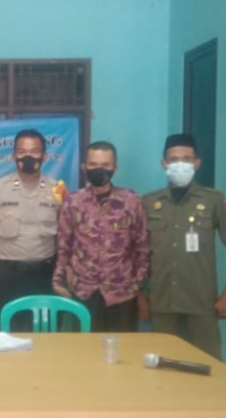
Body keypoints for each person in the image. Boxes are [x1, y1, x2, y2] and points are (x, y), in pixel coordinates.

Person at [141, 133, 226, 359]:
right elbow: (136, 253)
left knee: (207, 366)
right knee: (163, 367)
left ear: (197, 163)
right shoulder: (149, 202)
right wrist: (141, 296)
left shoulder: (213, 200)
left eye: (187, 159)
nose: (180, 164)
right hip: (161, 304)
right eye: (173, 159)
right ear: (163, 164)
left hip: (201, 304)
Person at [52, 141, 149, 332]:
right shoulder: (73, 201)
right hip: (82, 291)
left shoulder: (131, 200)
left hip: (122, 293)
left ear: (115, 168)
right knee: (83, 348)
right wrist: (58, 280)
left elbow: (143, 246)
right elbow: (64, 245)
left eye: (105, 165)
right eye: (93, 164)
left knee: (122, 347)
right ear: (84, 167)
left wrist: (138, 285)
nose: (99, 169)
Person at [0, 128, 67, 330]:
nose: (28, 156)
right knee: (4, 331)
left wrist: (59, 275)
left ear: (44, 156)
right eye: (22, 151)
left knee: (43, 332)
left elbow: (64, 236)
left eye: (34, 151)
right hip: (7, 274)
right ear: (13, 156)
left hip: (43, 274)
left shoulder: (57, 190)